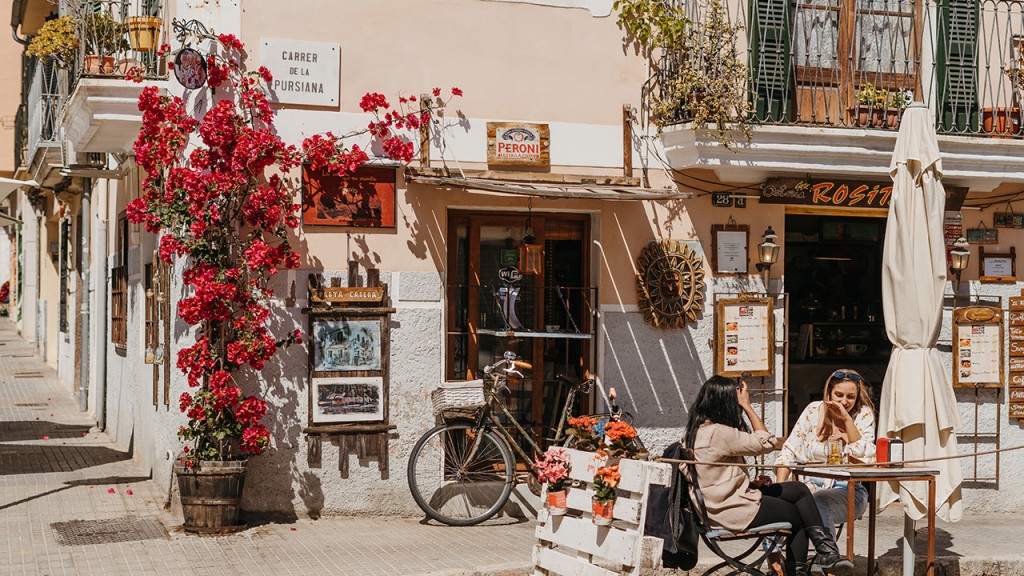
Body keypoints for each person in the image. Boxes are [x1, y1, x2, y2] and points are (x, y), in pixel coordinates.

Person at [685, 375, 853, 576]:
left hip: (720, 503)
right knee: (797, 514)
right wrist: (748, 407)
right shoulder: (719, 432)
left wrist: (748, 483)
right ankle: (807, 566)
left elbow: (714, 475)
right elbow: (767, 442)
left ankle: (826, 551)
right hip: (730, 510)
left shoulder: (696, 431)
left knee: (799, 490)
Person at [763, 369, 877, 575]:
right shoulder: (814, 410)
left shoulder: (863, 414)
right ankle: (776, 562)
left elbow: (866, 457)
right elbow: (789, 451)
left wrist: (846, 420)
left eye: (851, 396)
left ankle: (828, 564)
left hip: (849, 490)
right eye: (839, 395)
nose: (844, 401)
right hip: (808, 487)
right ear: (829, 393)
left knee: (819, 502)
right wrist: (781, 488)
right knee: (780, 501)